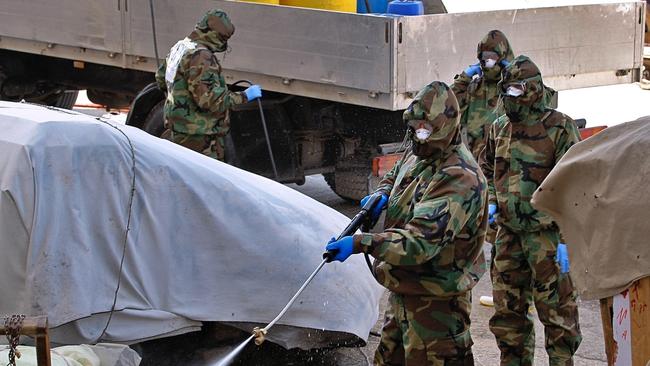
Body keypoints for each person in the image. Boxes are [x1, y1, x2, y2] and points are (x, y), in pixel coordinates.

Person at [325, 81, 488, 365]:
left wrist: (360, 242)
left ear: (446, 127)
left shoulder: (459, 178)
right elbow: (399, 171)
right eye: (414, 128)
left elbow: (419, 243)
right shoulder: (422, 150)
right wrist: (382, 194)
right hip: (405, 293)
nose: (418, 136)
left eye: (425, 129)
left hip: (437, 307)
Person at [480, 55, 582, 366]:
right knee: (508, 315)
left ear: (534, 89)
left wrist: (568, 239)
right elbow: (486, 168)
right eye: (506, 89)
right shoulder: (500, 128)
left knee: (558, 314)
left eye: (517, 89)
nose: (510, 95)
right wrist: (494, 202)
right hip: (509, 236)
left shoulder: (559, 128)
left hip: (547, 238)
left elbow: (575, 187)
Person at [154, 9, 262, 161]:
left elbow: (160, 77)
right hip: (199, 138)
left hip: (179, 131)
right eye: (223, 38)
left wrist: (180, 97)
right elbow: (210, 101)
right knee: (202, 182)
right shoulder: (201, 56)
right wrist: (244, 96)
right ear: (214, 35)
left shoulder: (181, 46)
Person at [451, 30, 514, 161]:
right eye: (484, 56)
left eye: (493, 56)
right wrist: (464, 79)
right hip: (478, 168)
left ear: (503, 57)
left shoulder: (514, 88)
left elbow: (540, 100)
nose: (488, 60)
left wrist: (516, 73)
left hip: (509, 166)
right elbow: (447, 108)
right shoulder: (474, 88)